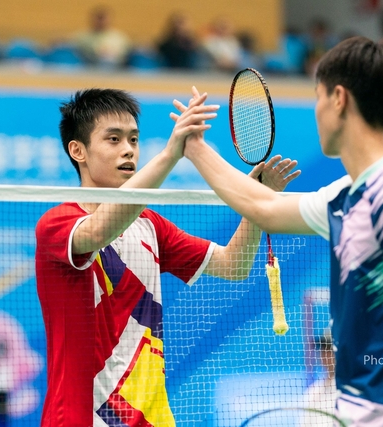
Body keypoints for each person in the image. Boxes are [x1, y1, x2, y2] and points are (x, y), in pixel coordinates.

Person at [182, 37, 383, 427]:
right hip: (353, 411)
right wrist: (195, 148)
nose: (316, 110)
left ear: (339, 98)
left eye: (318, 96)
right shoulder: (346, 195)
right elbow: (266, 208)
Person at [35, 88, 299, 426]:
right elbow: (99, 231)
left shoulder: (150, 226)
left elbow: (233, 264)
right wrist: (171, 154)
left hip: (151, 418)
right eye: (113, 139)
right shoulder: (57, 225)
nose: (128, 149)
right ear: (78, 150)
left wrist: (256, 204)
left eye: (133, 139)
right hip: (81, 418)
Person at [300, 332, 337, 427]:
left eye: (330, 349)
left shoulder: (352, 392)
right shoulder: (313, 392)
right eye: (323, 349)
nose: (325, 354)